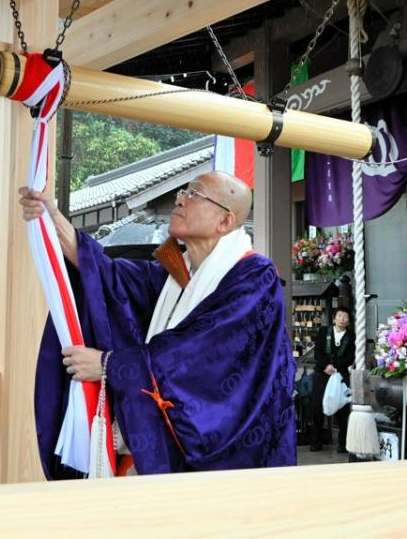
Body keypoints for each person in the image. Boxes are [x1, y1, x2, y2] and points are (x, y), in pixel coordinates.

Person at [21, 171, 296, 477]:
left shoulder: (256, 277)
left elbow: (205, 350)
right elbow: (108, 278)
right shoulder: (174, 275)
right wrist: (52, 217)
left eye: (194, 194)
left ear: (225, 221)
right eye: (183, 192)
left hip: (233, 457)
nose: (179, 199)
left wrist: (109, 364)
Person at [309, 305, 355, 453]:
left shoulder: (351, 336)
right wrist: (326, 366)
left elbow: (350, 357)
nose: (342, 319)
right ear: (334, 318)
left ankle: (342, 443)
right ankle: (316, 441)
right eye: (339, 315)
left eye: (345, 317)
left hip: (340, 375)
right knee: (317, 407)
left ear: (349, 321)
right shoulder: (324, 331)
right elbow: (318, 353)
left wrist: (335, 367)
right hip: (322, 374)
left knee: (342, 408)